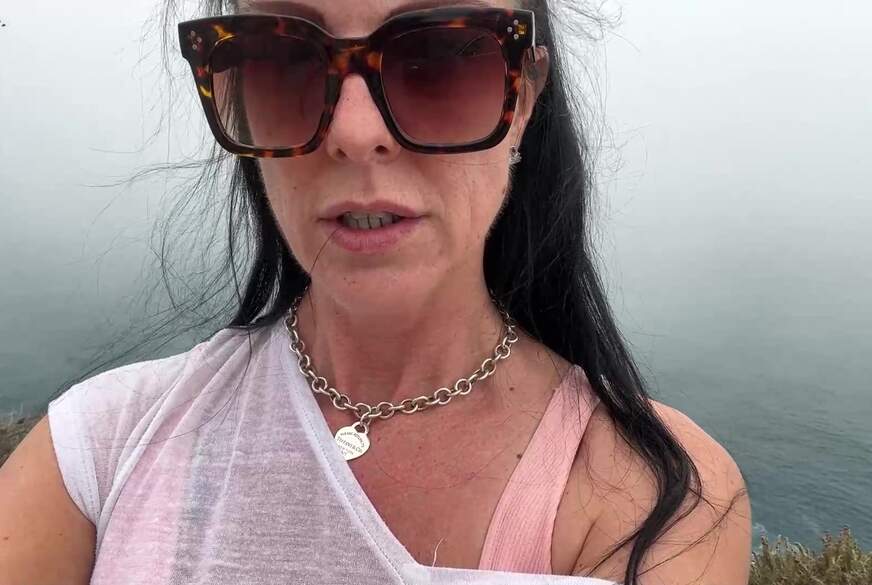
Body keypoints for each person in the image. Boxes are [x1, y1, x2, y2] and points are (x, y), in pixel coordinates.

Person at [0, 1, 752, 583]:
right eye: (280, 56)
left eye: (440, 53)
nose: (354, 133)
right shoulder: (92, 455)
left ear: (523, 96)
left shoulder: (654, 503)